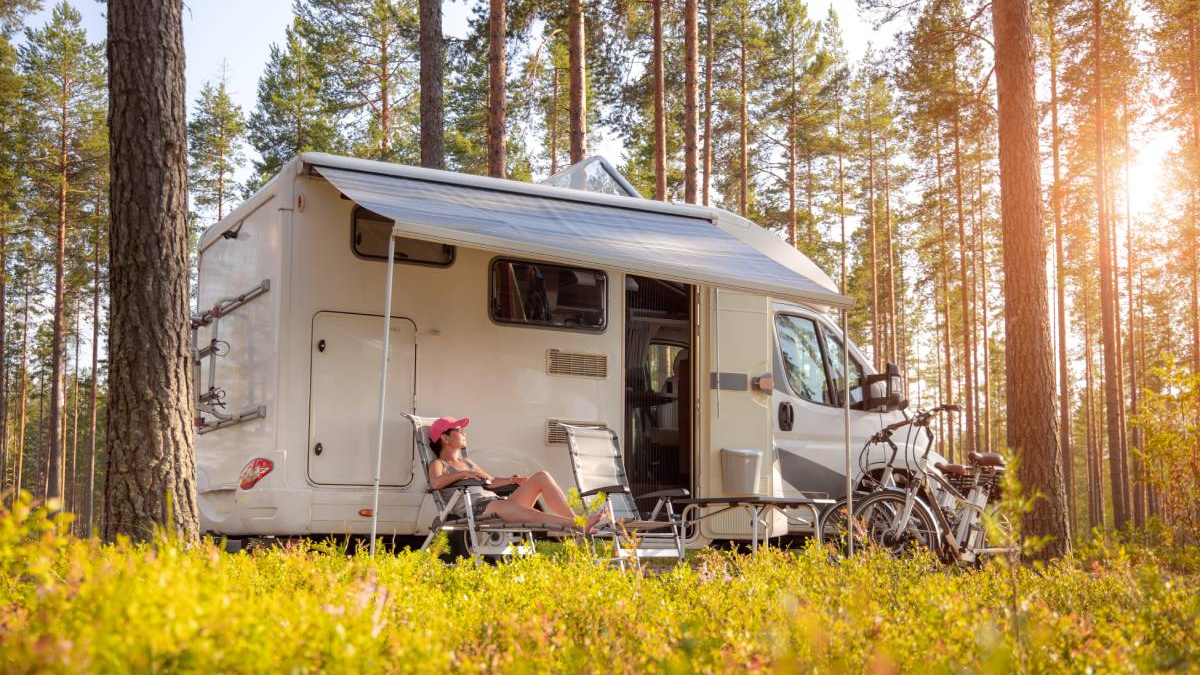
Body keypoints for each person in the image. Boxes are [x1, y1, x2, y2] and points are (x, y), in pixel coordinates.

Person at [426, 416, 603, 532]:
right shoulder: (439, 464)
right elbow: (435, 483)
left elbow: (491, 481)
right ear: (445, 438)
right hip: (478, 509)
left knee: (542, 476)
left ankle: (576, 520)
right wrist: (463, 474)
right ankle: (576, 525)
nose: (464, 433)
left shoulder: (468, 462)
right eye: (458, 430)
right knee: (527, 512)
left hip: (496, 503)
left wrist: (513, 480)